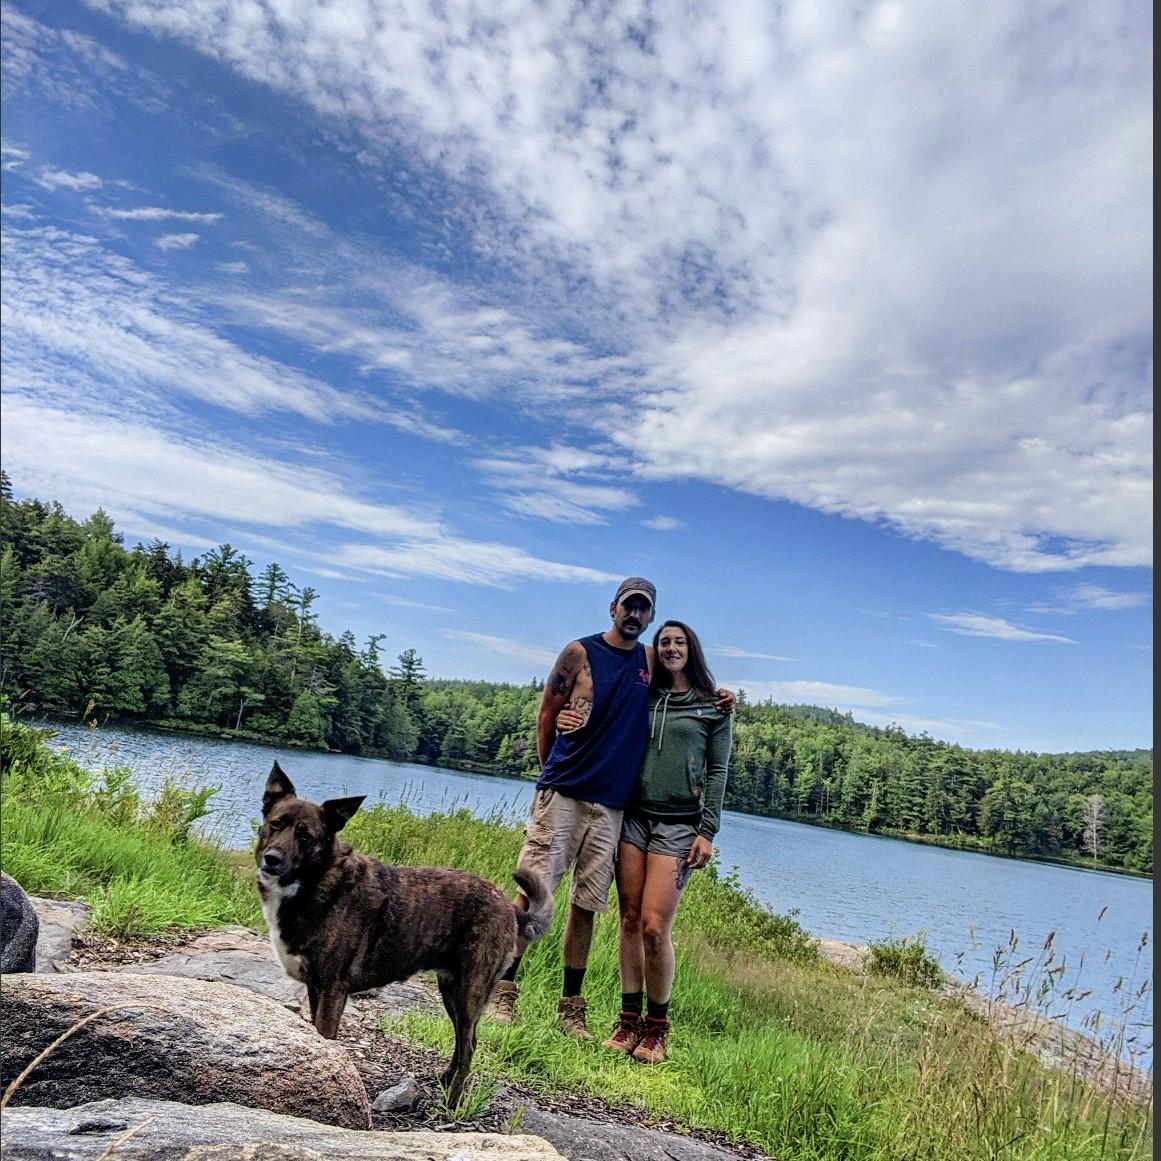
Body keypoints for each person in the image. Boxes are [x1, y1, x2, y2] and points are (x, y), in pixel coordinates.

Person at [490, 579, 732, 1040]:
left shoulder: (648, 662)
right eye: (629, 606)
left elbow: (690, 693)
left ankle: (571, 1009)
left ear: (650, 616)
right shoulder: (579, 653)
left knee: (587, 906)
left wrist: (723, 697)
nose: (635, 616)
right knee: (533, 891)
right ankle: (502, 991)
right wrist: (553, 772)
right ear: (613, 607)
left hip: (614, 809)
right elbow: (547, 714)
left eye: (644, 610)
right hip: (564, 794)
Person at [598, 619, 733, 1064]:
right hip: (634, 817)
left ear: (692, 649)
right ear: (656, 651)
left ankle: (657, 1029)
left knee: (655, 928)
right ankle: (627, 1020)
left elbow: (717, 771)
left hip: (679, 826)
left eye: (680, 642)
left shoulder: (713, 707)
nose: (672, 647)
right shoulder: (646, 695)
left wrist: (707, 831)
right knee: (630, 918)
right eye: (665, 642)